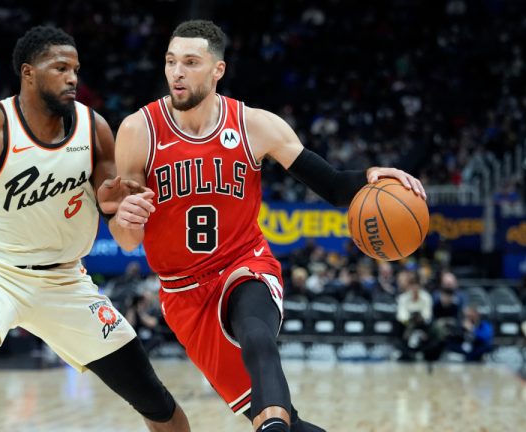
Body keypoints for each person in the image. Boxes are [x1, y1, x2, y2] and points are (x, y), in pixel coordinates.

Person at [105, 20, 426, 432]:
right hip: (183, 293)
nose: (177, 72)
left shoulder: (254, 125)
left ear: (217, 70)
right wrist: (123, 219)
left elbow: (329, 185)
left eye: (190, 62)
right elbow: (127, 237)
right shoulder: (138, 130)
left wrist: (371, 176)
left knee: (257, 334)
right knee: (281, 421)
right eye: (170, 62)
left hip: (245, 264)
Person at [0, 26, 189, 432]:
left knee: (154, 400)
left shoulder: (94, 128)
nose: (72, 77)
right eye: (61, 67)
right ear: (29, 73)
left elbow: (118, 222)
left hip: (66, 281)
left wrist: (121, 211)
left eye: (76, 69)